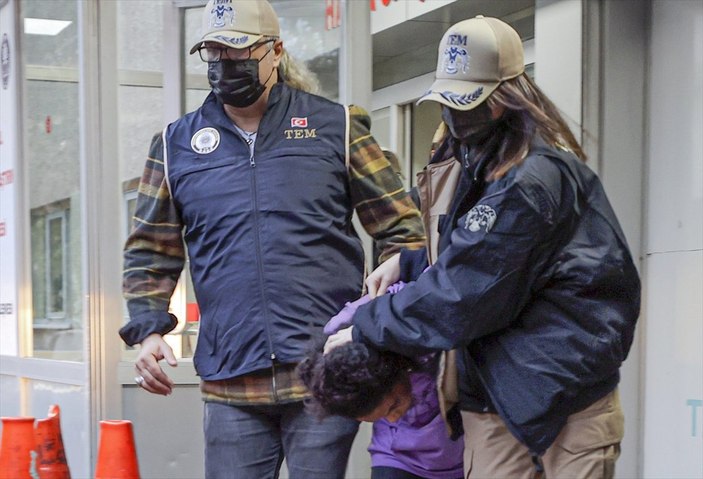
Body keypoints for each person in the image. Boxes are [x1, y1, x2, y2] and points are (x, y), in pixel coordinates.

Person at [326, 15, 641, 479]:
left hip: (563, 396)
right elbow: (479, 253)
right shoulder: (480, 165)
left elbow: (467, 291)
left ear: (507, 98)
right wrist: (409, 262)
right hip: (494, 392)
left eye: (468, 101)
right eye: (448, 101)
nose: (455, 115)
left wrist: (367, 326)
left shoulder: (530, 178)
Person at [119, 0, 425, 477]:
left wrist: (374, 320)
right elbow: (150, 249)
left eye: (238, 52)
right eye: (214, 53)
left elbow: (402, 227)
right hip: (230, 381)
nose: (225, 66)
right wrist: (150, 329)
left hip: (323, 371)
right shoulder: (175, 144)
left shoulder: (337, 127)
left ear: (275, 51)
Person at [299, 281, 464, 479]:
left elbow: (432, 290)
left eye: (394, 406)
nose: (394, 416)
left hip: (461, 448)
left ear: (392, 371)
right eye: (383, 416)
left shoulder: (389, 313)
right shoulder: (337, 352)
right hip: (395, 455)